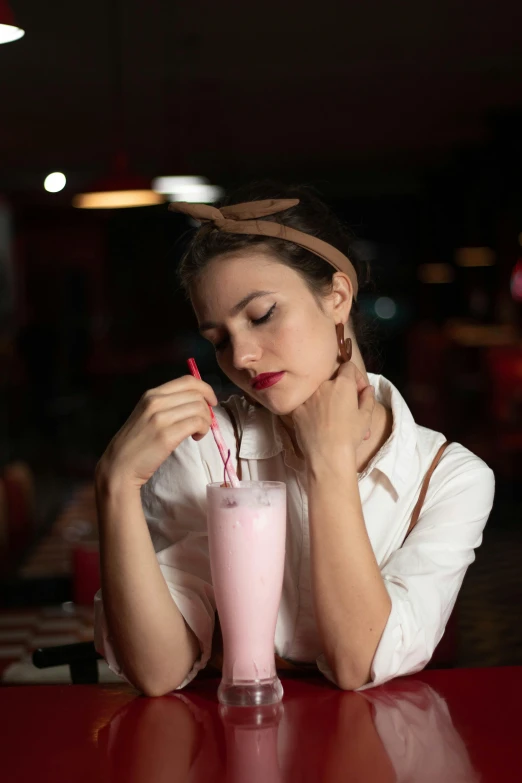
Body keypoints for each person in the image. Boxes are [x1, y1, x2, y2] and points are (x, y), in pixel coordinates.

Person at [93, 182, 495, 697]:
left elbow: (358, 663)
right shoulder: (208, 448)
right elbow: (157, 671)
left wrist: (327, 460)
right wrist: (116, 483)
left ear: (337, 297)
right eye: (218, 340)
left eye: (262, 315)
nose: (241, 357)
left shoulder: (450, 478)